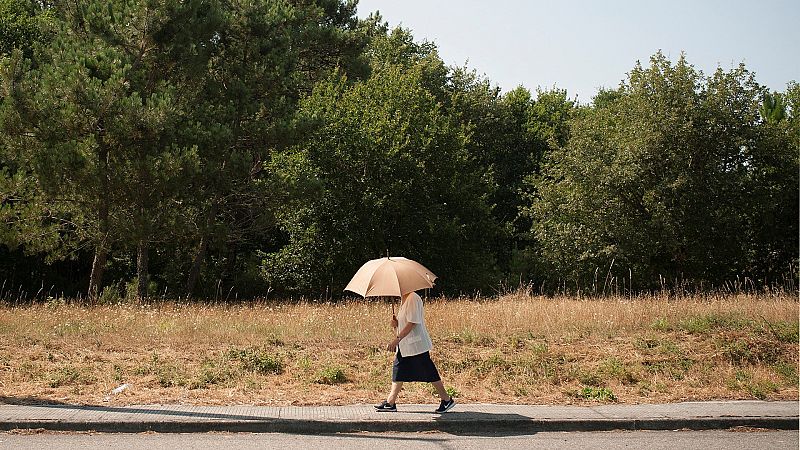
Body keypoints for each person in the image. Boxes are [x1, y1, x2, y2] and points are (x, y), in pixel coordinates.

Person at [374, 290, 455, 413]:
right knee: (398, 370)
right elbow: (405, 323)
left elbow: (412, 323)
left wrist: (396, 340)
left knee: (429, 372)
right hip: (406, 346)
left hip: (416, 345)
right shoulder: (404, 299)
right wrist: (396, 324)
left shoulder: (412, 298)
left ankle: (446, 399)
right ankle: (390, 402)